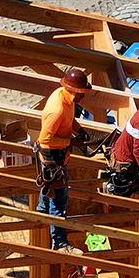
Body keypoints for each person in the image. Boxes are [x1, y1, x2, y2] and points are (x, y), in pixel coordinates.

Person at [36, 68, 92, 254]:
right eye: (82, 93)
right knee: (59, 199)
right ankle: (59, 242)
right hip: (52, 156)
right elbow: (44, 140)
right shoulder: (57, 109)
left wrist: (79, 130)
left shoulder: (65, 96)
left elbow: (70, 120)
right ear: (75, 91)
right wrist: (71, 141)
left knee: (48, 191)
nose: (83, 97)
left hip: (59, 153)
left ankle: (41, 215)